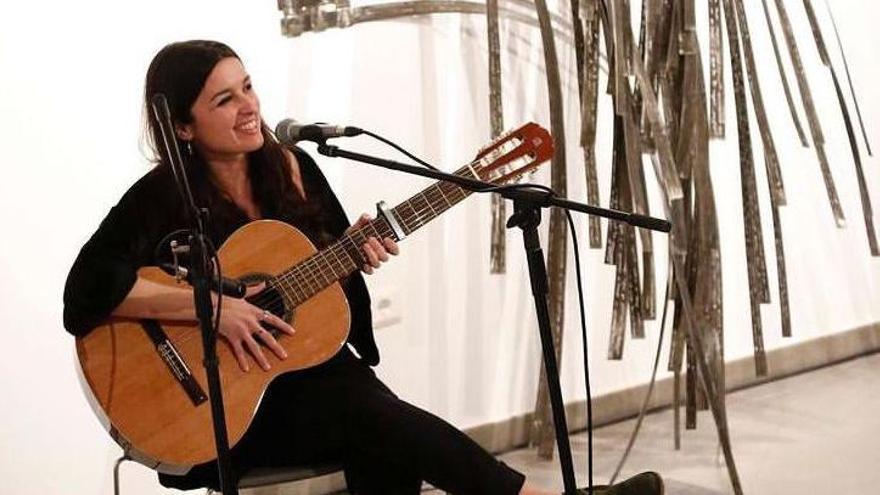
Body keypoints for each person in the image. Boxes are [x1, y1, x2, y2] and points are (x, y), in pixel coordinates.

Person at [63, 40, 662, 495]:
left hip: (308, 374)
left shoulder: (292, 168)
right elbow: (83, 293)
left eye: (248, 87)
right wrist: (216, 309)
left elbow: (321, 291)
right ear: (184, 127)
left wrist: (354, 256)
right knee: (376, 420)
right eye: (226, 99)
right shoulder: (160, 197)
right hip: (212, 409)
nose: (250, 108)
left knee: (386, 434)